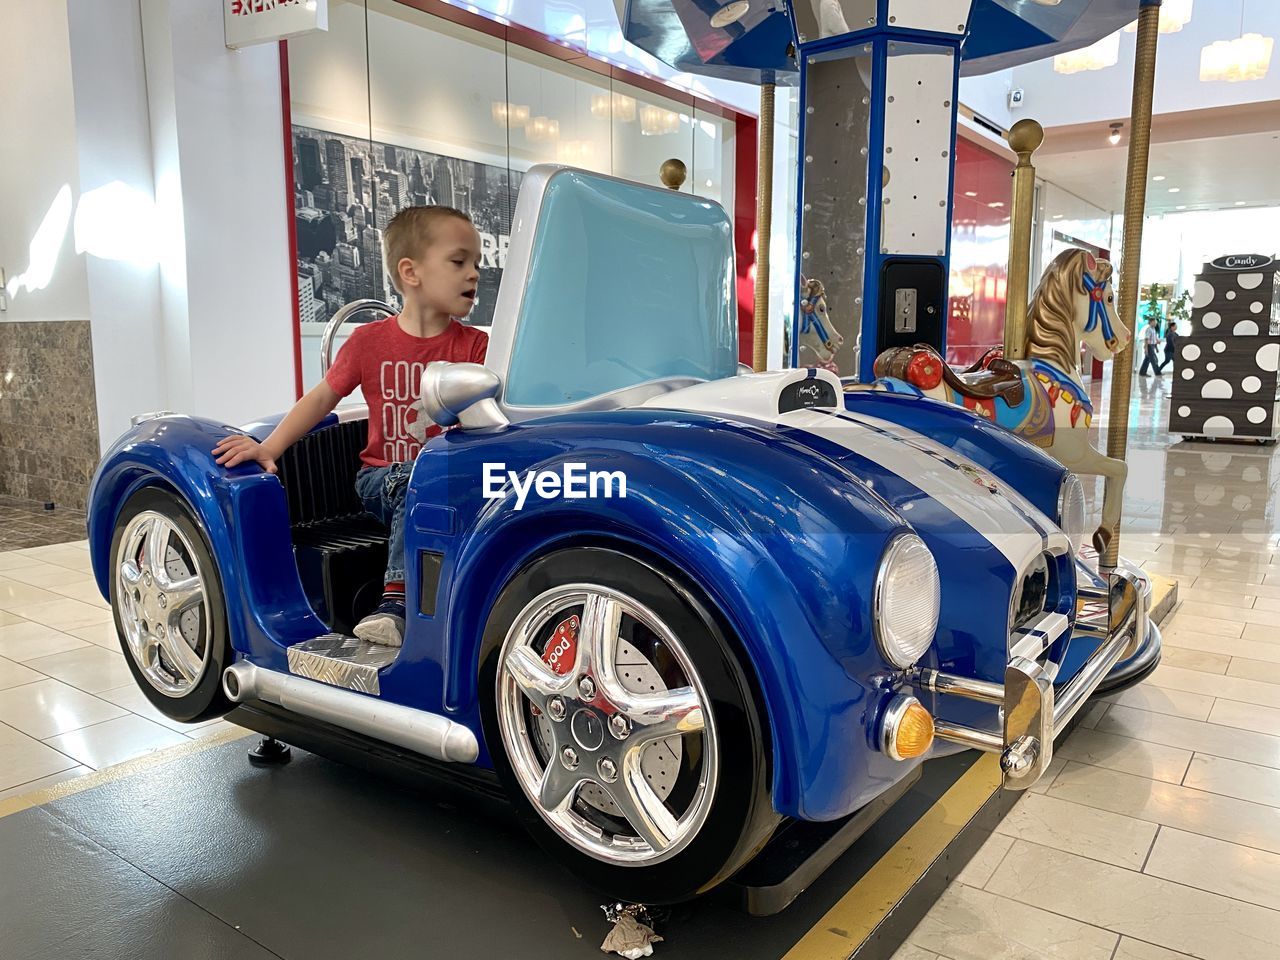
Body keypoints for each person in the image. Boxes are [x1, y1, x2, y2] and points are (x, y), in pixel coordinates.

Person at [212, 206, 489, 646]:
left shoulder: (476, 347)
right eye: (459, 262)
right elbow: (322, 397)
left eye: (477, 263)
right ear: (410, 272)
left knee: (437, 482)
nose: (474, 273)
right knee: (415, 480)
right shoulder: (368, 342)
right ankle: (395, 601)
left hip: (447, 480)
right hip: (381, 479)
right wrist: (269, 446)